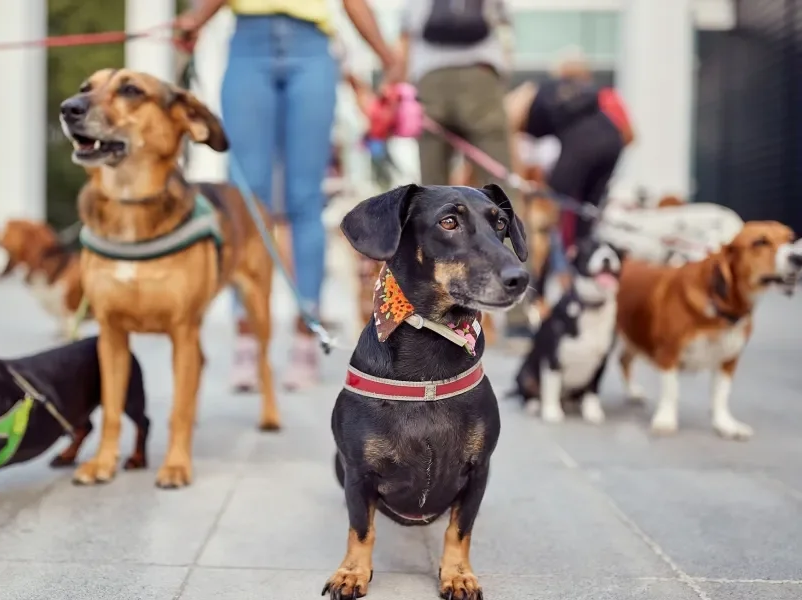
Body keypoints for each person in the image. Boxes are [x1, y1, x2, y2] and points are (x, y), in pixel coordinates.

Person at [176, 0, 401, 391]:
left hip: (311, 45)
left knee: (304, 198)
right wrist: (196, 18)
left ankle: (305, 337)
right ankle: (247, 338)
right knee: (246, 197)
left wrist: (385, 53)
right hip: (249, 40)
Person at [400, 0, 534, 345]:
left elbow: (406, 32)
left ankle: (426, 307)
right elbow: (504, 26)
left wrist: (399, 84)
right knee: (504, 192)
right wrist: (500, 72)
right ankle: (518, 318)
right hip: (480, 76)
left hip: (429, 80)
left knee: (431, 200)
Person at [506, 54, 634, 248]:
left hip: (581, 144)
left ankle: (549, 268)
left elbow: (511, 143)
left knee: (551, 207)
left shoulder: (521, 98)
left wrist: (514, 182)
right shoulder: (587, 95)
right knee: (586, 214)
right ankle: (578, 260)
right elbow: (628, 134)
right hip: (611, 141)